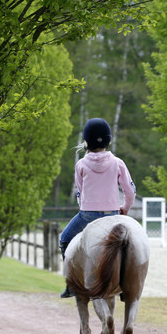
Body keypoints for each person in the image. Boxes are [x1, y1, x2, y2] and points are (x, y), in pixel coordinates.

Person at [59, 117, 136, 298]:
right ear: (108, 140)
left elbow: (80, 192)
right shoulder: (118, 163)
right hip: (113, 215)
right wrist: (124, 208)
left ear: (87, 141)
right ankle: (125, 285)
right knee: (129, 246)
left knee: (64, 239)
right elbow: (130, 191)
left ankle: (71, 284)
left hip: (87, 216)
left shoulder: (81, 165)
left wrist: (85, 206)